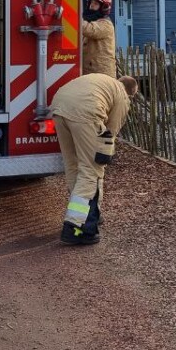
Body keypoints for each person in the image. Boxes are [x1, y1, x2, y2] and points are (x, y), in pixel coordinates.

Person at [50, 73, 139, 245]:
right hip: (85, 112)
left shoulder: (104, 82)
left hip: (59, 107)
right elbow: (111, 130)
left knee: (73, 166)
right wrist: (105, 152)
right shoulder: (122, 95)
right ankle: (76, 228)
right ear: (130, 94)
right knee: (91, 171)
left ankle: (88, 213)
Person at [81, 0, 117, 78]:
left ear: (103, 7)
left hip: (102, 74)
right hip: (90, 72)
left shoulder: (106, 24)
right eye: (91, 3)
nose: (92, 5)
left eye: (96, 4)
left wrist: (72, 15)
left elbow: (90, 30)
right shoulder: (90, 21)